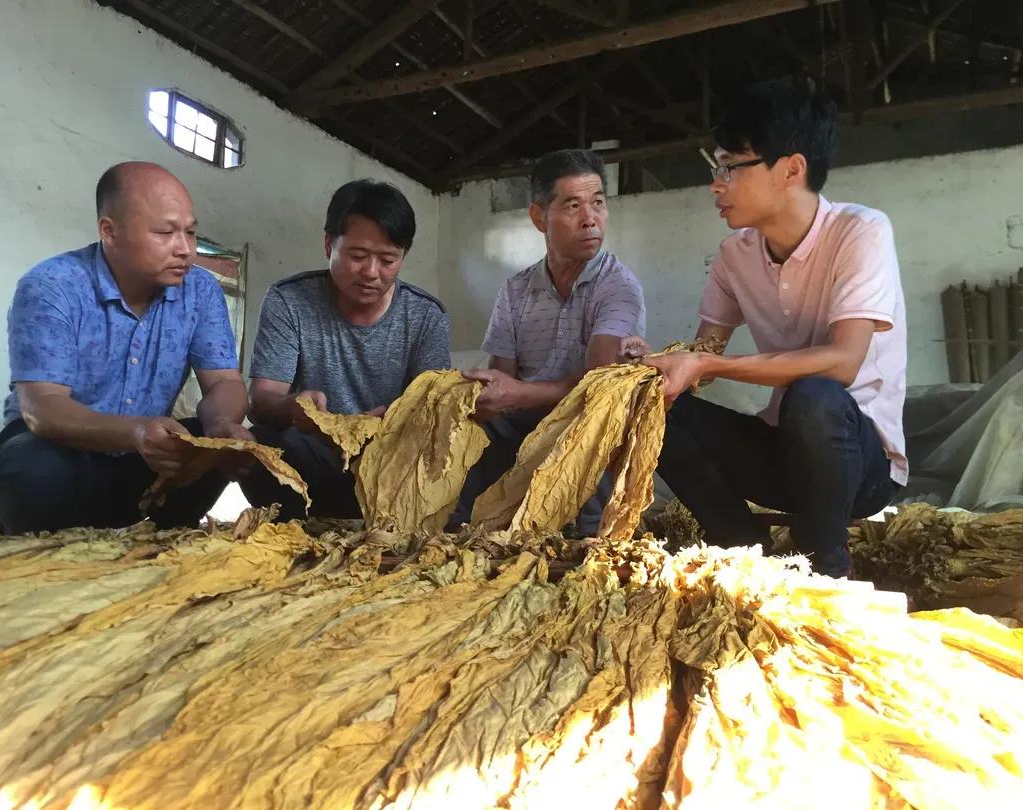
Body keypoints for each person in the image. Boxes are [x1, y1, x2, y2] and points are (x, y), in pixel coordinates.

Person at [621, 77, 906, 578]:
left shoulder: (861, 231)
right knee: (656, 409)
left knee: (814, 396)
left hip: (860, 466)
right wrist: (660, 363)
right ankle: (742, 549)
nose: (717, 183)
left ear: (791, 169)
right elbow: (705, 353)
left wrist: (708, 363)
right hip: (781, 457)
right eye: (717, 167)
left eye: (730, 166)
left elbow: (845, 362)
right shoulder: (735, 255)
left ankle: (827, 567)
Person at [0, 161, 251, 534]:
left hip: (145, 461)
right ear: (109, 231)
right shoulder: (53, 285)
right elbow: (42, 408)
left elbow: (224, 382)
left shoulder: (201, 291)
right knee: (33, 470)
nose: (186, 250)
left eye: (190, 233)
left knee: (209, 448)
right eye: (165, 233)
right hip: (61, 451)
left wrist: (221, 426)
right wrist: (135, 432)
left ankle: (162, 535)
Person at [455, 148, 646, 534]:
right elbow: (502, 378)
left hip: (587, 419)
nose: (590, 219)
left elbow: (599, 381)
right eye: (573, 206)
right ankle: (460, 530)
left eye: (597, 203)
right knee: (467, 429)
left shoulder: (617, 285)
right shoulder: (515, 290)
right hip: (524, 419)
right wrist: (488, 396)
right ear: (539, 217)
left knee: (587, 424)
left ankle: (593, 535)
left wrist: (518, 394)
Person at [240, 179, 450, 519]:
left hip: (387, 459)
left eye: (387, 260)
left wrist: (394, 421)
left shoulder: (426, 315)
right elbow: (261, 401)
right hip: (314, 453)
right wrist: (295, 408)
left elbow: (433, 410)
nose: (371, 272)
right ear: (328, 245)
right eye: (357, 256)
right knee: (260, 444)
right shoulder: (289, 300)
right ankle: (299, 527)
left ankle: (381, 523)